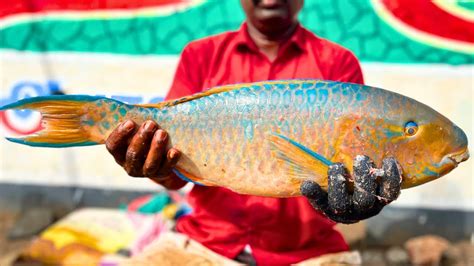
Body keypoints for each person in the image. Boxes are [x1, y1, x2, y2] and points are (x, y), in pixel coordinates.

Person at [105, 0, 401, 264]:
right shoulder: (201, 55)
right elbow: (173, 177)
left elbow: (354, 164)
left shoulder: (337, 62)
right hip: (202, 245)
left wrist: (354, 201)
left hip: (309, 254)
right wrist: (150, 164)